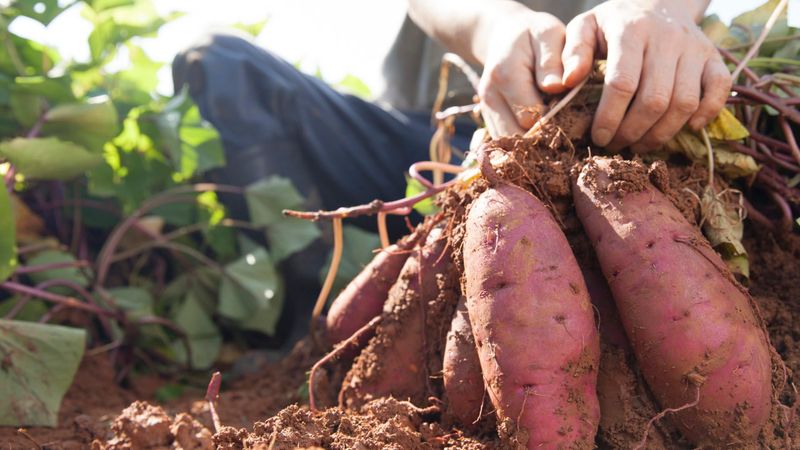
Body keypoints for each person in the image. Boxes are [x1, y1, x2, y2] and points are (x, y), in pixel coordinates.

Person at [172, 0, 730, 344]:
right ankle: (307, 322)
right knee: (218, 61)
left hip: (613, 150)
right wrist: (497, 26)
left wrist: (665, 11)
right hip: (439, 144)